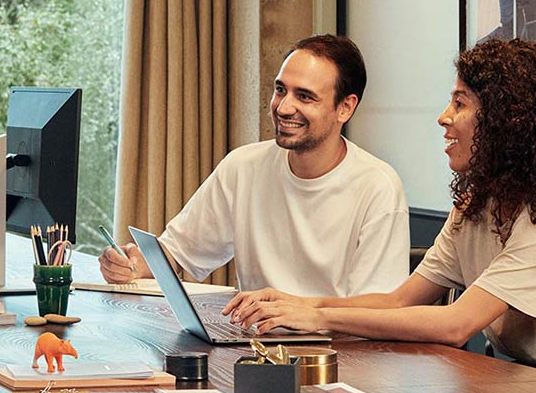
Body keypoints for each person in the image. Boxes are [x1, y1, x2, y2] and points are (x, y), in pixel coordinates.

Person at [225, 38, 536, 375]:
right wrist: (299, 304)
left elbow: (454, 325)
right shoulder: (476, 205)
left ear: (507, 123)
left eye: (461, 103)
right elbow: (400, 302)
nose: (444, 117)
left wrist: (317, 318)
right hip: (531, 378)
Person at [99, 34, 409, 298]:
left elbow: (373, 313)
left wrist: (299, 314)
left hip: (339, 360)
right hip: (254, 352)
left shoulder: (377, 186)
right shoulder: (243, 166)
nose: (284, 107)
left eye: (304, 96)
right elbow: (178, 254)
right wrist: (135, 265)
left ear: (345, 107)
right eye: (280, 90)